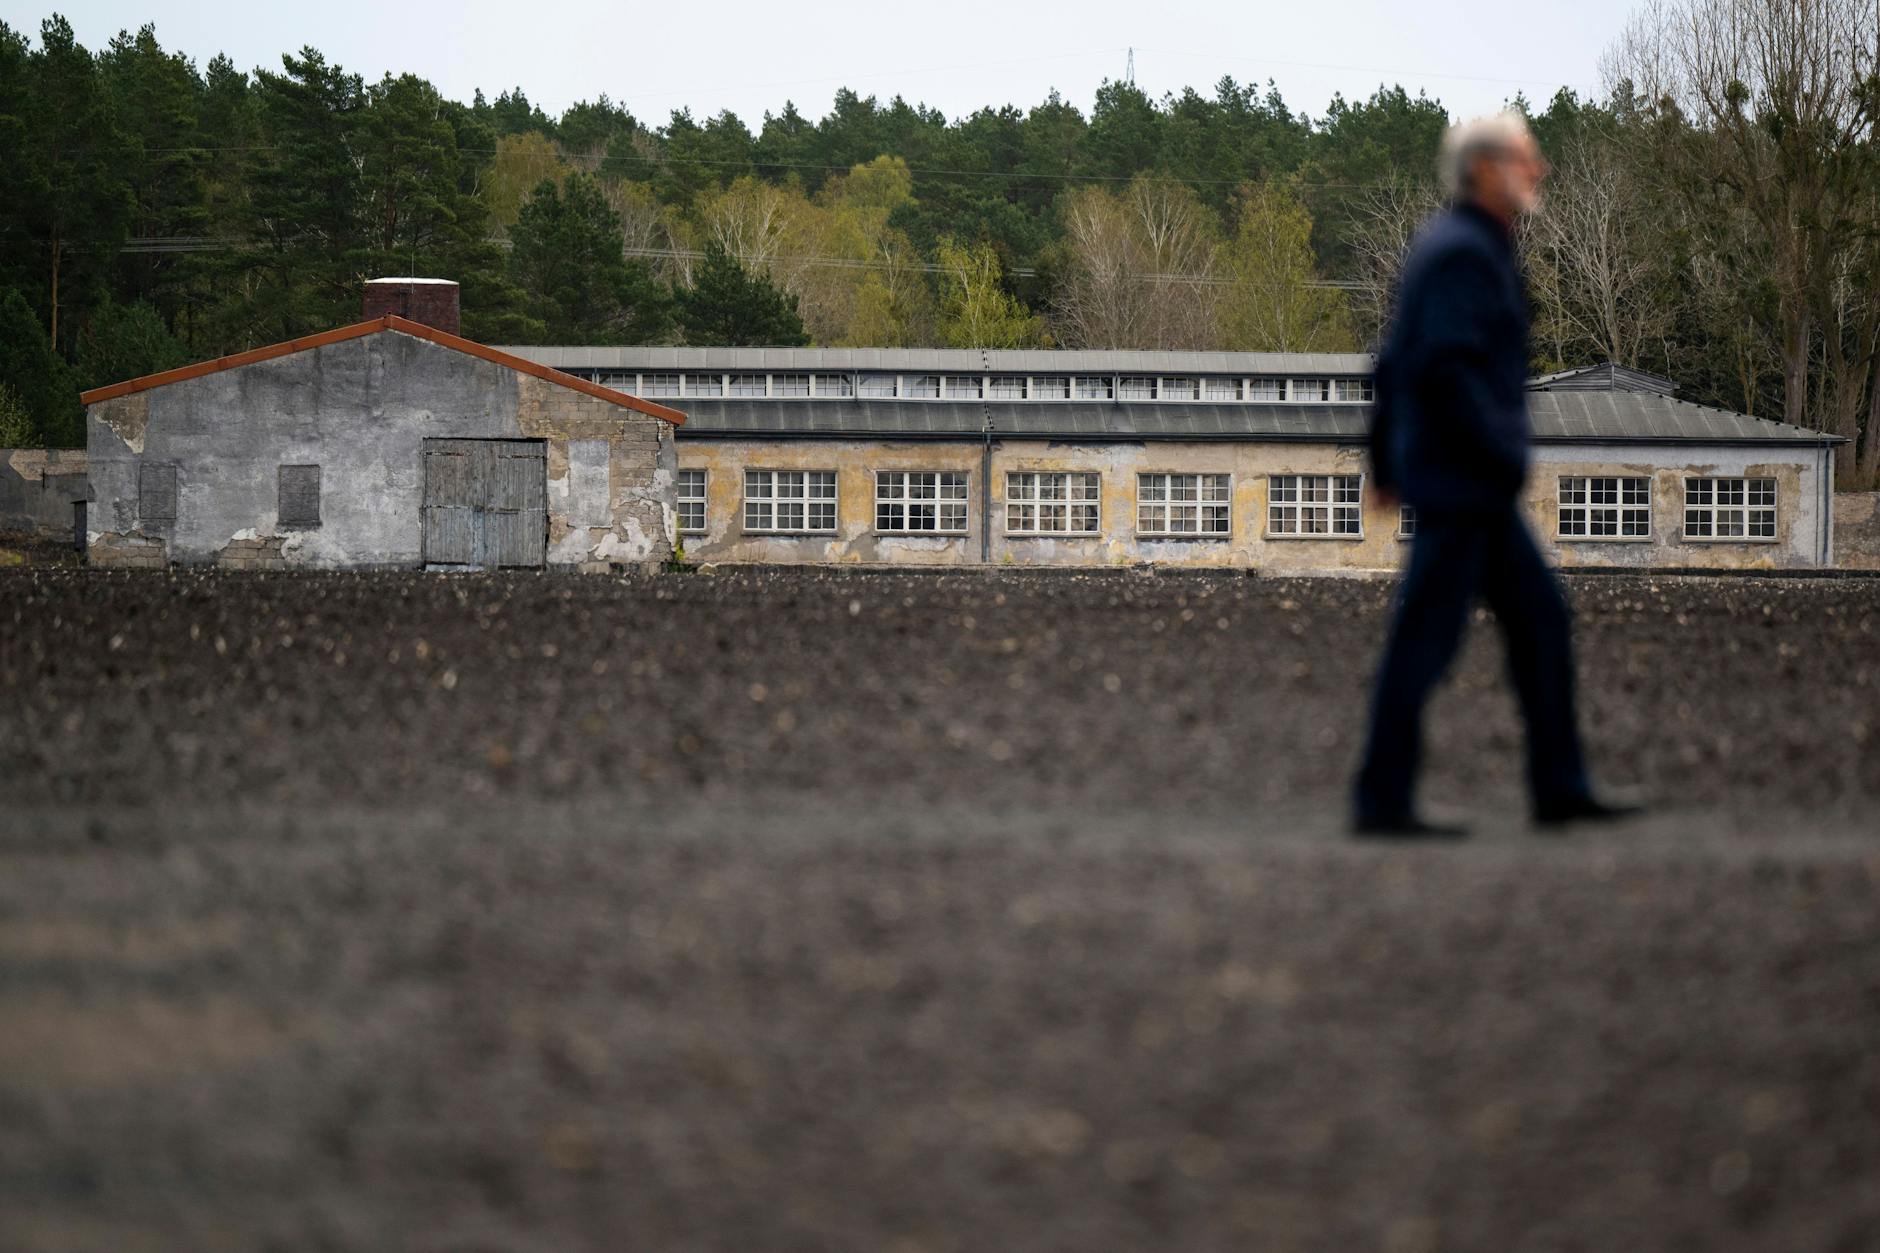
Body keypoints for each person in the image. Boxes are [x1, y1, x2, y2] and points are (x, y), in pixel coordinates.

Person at [1352, 113, 1641, 838]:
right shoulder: (1464, 254)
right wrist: (1498, 451)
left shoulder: (1455, 245)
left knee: (1538, 620)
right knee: (1428, 638)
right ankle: (1384, 800)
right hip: (1464, 480)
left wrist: (1388, 460)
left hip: (1460, 475)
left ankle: (1559, 785)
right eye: (1524, 159)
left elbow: (1393, 362)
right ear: (1484, 170)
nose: (1537, 171)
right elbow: (1439, 366)